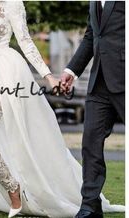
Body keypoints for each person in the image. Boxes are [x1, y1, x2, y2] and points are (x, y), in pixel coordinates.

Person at [0, 1, 125, 217]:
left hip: (3, 76)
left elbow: (25, 41)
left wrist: (48, 76)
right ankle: (21, 191)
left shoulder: (11, 4)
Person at [61, 1, 125, 217]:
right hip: (99, 83)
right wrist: (72, 69)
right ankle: (89, 205)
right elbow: (92, 36)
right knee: (90, 142)